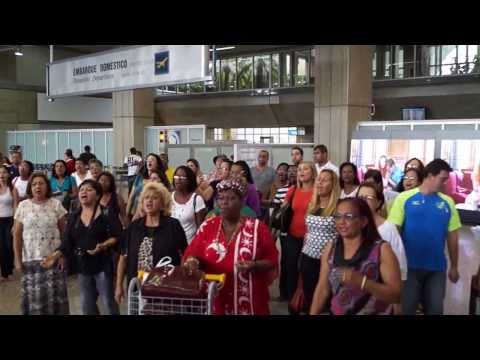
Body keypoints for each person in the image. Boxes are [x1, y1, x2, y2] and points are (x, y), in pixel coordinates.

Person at [183, 179, 279, 315]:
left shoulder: (257, 228)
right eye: (220, 198)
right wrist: (192, 262)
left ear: (242, 202)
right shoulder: (208, 226)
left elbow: (272, 261)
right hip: (214, 298)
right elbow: (193, 254)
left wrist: (254, 265)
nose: (224, 202)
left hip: (248, 301)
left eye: (231, 198)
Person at [388, 159, 461, 315]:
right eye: (443, 179)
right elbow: (394, 234)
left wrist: (454, 266)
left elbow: (453, 237)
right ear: (430, 176)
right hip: (409, 267)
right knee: (407, 309)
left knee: (435, 310)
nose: (445, 183)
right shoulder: (404, 198)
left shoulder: (448, 202)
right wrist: (392, 265)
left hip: (436, 268)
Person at [42, 180, 122, 315]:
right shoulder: (74, 217)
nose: (84, 192)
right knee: (86, 303)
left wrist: (103, 245)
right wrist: (55, 256)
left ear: (97, 195)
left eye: (89, 189)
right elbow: (67, 241)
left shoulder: (107, 213)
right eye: (81, 190)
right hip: (83, 265)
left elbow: (117, 235)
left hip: (103, 264)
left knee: (108, 301)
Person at [309, 198, 402, 315]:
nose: (341, 221)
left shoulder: (381, 250)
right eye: (337, 216)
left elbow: (396, 295)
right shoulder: (331, 248)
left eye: (348, 216)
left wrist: (363, 282)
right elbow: (322, 289)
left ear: (363, 221)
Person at [115, 182, 188, 305]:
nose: (149, 201)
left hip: (165, 287)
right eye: (146, 198)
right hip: (137, 286)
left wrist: (180, 281)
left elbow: (184, 254)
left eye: (154, 198)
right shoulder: (134, 227)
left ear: (162, 204)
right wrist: (118, 285)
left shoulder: (173, 225)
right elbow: (123, 257)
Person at [13, 173, 69, 315]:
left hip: (54, 260)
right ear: (30, 188)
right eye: (34, 184)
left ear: (47, 186)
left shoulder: (56, 204)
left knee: (55, 301)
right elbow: (17, 236)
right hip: (31, 262)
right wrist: (18, 261)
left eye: (41, 183)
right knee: (35, 302)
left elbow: (65, 234)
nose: (38, 186)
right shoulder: (23, 206)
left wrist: (63, 255)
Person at [356, 182, 407, 315]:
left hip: (379, 292)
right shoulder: (350, 224)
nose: (363, 201)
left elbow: (400, 265)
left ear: (378, 203)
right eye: (360, 197)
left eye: (368, 198)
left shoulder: (388, 228)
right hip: (353, 292)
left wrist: (397, 301)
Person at [300, 169, 340, 312]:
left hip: (329, 260)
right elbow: (308, 231)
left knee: (329, 300)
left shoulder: (338, 207)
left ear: (333, 184)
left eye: (325, 179)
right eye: (319, 179)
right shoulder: (313, 205)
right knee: (311, 297)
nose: (320, 182)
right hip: (308, 257)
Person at [283, 161, 316, 312]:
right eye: (300, 169)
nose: (301, 172)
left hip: (312, 238)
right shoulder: (293, 190)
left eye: (306, 169)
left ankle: (308, 303)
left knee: (308, 271)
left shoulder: (318, 191)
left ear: (313, 172)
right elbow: (283, 210)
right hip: (292, 236)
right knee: (291, 270)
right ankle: (292, 303)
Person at [127, 153, 170, 219]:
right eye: (147, 160)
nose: (149, 161)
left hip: (152, 213)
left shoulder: (161, 178)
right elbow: (131, 197)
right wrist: (127, 214)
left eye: (152, 160)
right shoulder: (140, 177)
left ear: (157, 164)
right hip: (137, 212)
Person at [171, 166, 207, 244]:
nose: (178, 179)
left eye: (182, 177)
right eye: (176, 176)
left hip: (189, 245)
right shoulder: (168, 197)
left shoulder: (197, 200)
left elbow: (200, 228)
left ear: (189, 180)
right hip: (170, 245)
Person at [0, 165, 19, 281]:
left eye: (4, 173)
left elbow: (16, 206)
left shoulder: (12, 189)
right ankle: (3, 273)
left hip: (9, 220)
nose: (1, 175)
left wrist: (15, 223)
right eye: (0, 173)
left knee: (8, 245)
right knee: (1, 247)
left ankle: (10, 269)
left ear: (8, 175)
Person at [264, 163, 290, 234]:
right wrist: (270, 201)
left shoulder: (291, 187)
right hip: (272, 215)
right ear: (276, 171)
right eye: (280, 169)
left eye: (284, 170)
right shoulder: (271, 185)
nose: (281, 172)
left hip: (285, 219)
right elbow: (262, 200)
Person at [250, 150, 276, 218]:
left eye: (264, 156)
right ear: (258, 157)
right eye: (260, 156)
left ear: (267, 158)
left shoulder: (272, 171)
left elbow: (274, 186)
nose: (261, 158)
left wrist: (271, 200)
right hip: (253, 201)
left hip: (266, 203)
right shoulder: (251, 170)